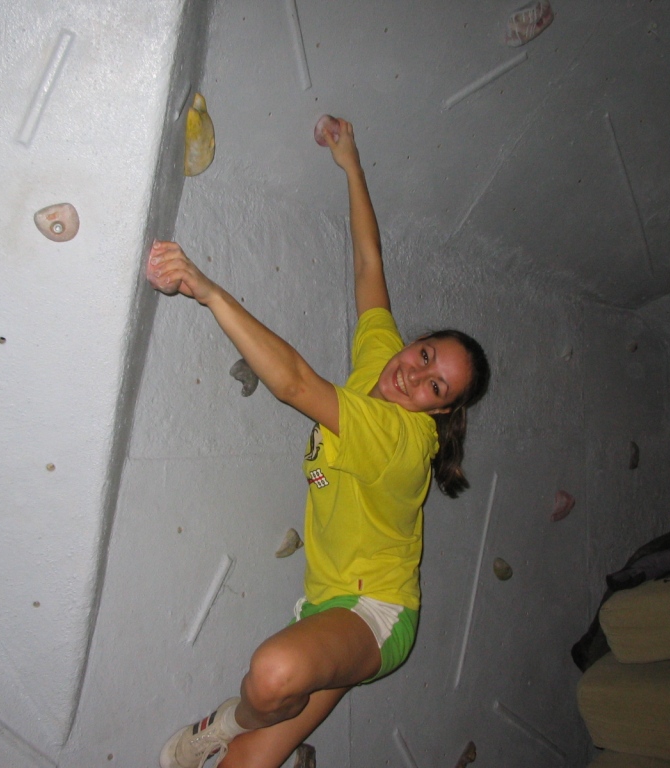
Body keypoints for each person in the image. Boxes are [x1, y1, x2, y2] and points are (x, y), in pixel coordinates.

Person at [152, 118, 490, 768]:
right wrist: (350, 163)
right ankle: (254, 740)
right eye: (424, 356)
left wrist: (209, 291)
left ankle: (220, 726)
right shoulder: (383, 362)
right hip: (328, 601)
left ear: (442, 411)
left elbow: (296, 384)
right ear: (415, 343)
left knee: (273, 675)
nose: (413, 376)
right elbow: (368, 265)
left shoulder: (400, 437)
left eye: (434, 386)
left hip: (375, 612)